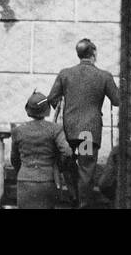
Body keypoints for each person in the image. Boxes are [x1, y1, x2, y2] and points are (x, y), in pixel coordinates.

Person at [44, 37, 121, 208]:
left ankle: (73, 196)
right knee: (86, 168)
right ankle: (83, 204)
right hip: (88, 132)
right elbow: (117, 101)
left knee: (68, 162)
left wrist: (65, 108)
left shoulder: (65, 73)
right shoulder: (104, 76)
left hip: (68, 131)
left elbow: (52, 98)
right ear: (93, 53)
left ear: (79, 54)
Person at [9, 91, 72, 210]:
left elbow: (14, 159)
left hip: (24, 180)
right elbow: (67, 152)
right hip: (47, 180)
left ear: (28, 110)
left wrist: (24, 170)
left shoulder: (18, 131)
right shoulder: (55, 129)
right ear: (47, 110)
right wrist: (58, 166)